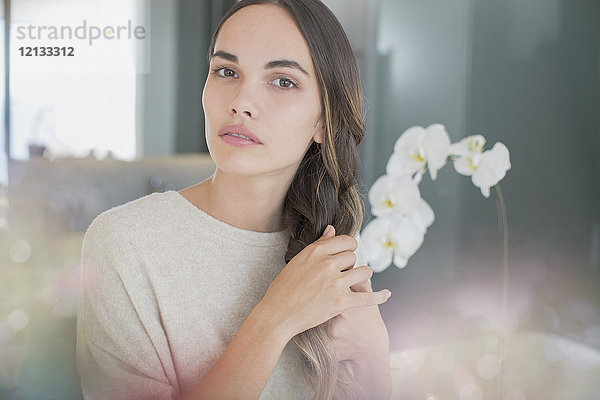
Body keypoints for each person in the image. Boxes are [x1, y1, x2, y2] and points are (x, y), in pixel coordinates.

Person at [76, 0, 393, 399]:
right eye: (227, 71)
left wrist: (375, 359)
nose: (241, 102)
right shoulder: (124, 243)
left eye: (282, 81)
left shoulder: (328, 246)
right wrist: (274, 318)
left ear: (323, 121)